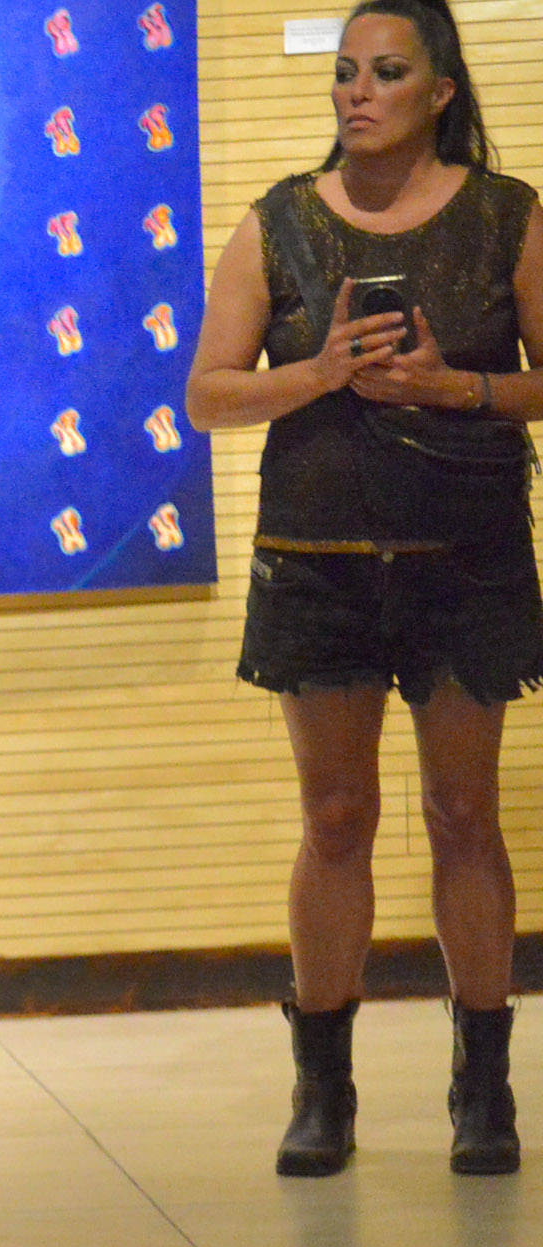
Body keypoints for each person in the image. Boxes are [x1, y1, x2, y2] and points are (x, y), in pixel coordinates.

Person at [186, 0, 537, 1177]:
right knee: (334, 816)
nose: (355, 91)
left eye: (384, 72)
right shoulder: (279, 218)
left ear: (437, 91)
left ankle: (480, 1084)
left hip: (464, 558)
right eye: (343, 71)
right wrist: (318, 370)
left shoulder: (504, 215)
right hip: (316, 559)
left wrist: (455, 389)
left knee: (460, 813)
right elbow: (206, 393)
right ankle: (321, 1084)